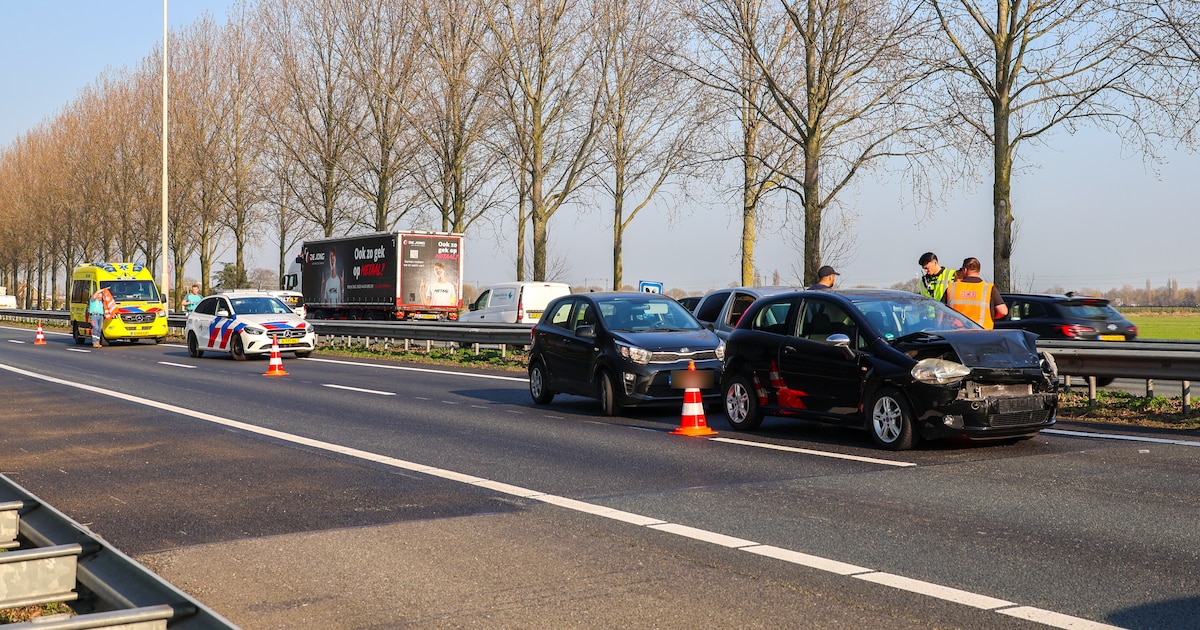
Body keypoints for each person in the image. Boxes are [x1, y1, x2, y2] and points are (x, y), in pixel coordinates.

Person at [943, 257, 1007, 328]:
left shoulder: (952, 287)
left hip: (955, 334)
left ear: (965, 270)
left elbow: (940, 312)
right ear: (978, 270)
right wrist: (990, 317)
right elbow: (1003, 311)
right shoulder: (988, 288)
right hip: (982, 335)